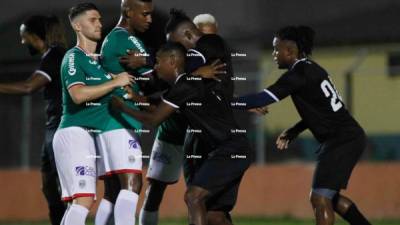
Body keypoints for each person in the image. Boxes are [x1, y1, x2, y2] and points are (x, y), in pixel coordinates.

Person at [234, 25, 371, 225]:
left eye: (276, 49)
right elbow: (322, 111)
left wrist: (224, 101)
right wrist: (294, 130)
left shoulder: (297, 74)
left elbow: (262, 98)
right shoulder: (313, 68)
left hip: (341, 140)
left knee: (319, 198)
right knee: (330, 198)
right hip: (347, 136)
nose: (274, 54)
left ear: (290, 51)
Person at [112, 42, 251, 225]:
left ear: (172, 61)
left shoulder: (185, 84)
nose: (155, 67)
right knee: (215, 216)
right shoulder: (185, 86)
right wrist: (136, 98)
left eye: (158, 62)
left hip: (229, 150)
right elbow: (159, 105)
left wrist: (122, 108)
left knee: (193, 197)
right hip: (229, 150)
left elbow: (154, 119)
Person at [139, 9, 231, 225]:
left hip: (204, 139)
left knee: (211, 200)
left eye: (209, 36)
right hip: (172, 133)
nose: (204, 41)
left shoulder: (216, 59)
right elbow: (159, 88)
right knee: (155, 192)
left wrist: (240, 101)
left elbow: (216, 94)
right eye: (201, 35)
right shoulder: (176, 61)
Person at [52, 3, 134, 225]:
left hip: (93, 136)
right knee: (83, 200)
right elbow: (78, 94)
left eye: (99, 20)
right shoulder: (73, 56)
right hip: (74, 133)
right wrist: (115, 82)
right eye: (92, 20)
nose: (99, 24)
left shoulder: (100, 62)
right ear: (78, 26)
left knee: (86, 200)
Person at [0, 15, 67, 225]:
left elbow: (29, 86)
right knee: (49, 186)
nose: (22, 41)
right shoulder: (50, 55)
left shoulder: (55, 56)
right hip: (53, 128)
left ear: (34, 35)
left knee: (65, 187)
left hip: (61, 129)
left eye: (24, 37)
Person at [95, 0, 154, 224]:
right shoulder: (126, 39)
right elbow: (158, 76)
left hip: (108, 120)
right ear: (128, 11)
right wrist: (150, 59)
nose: (149, 19)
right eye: (145, 14)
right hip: (120, 120)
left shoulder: (112, 37)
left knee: (112, 190)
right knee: (132, 183)